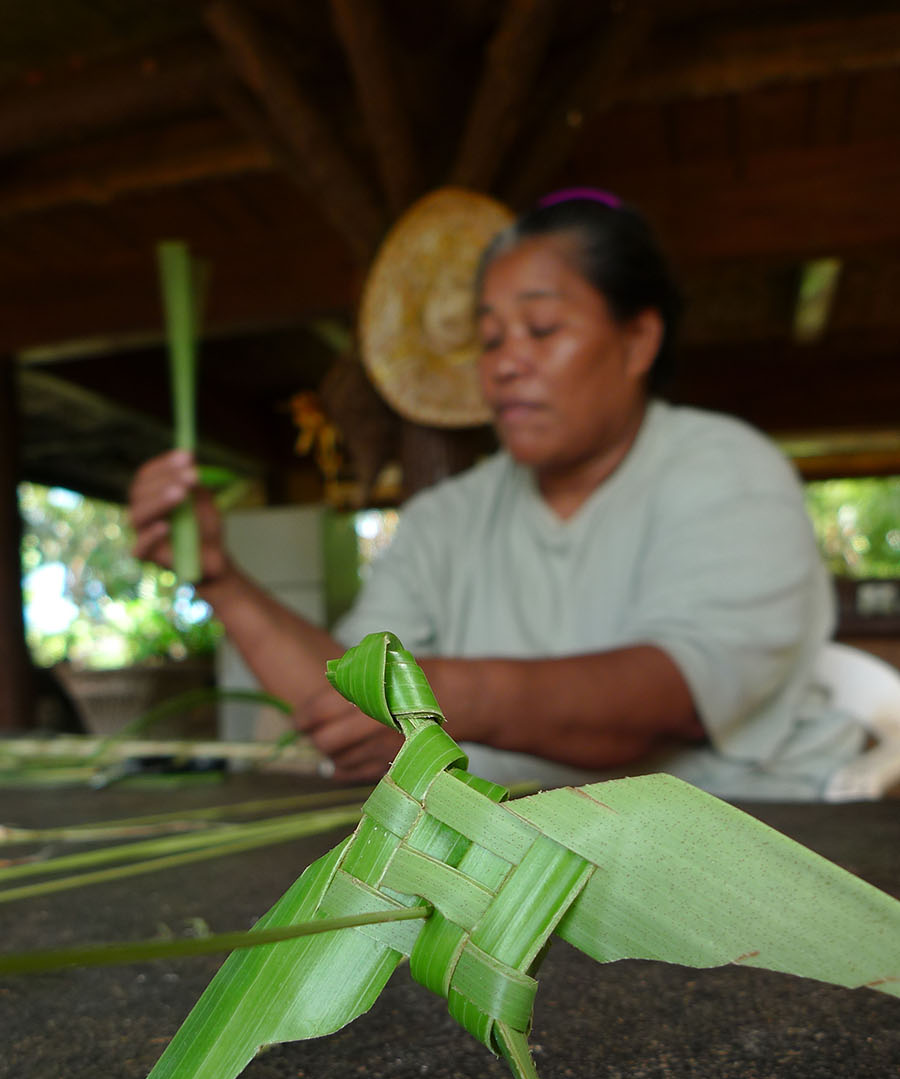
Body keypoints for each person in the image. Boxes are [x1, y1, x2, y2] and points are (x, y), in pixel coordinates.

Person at [130, 189, 862, 798]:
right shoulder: (449, 518)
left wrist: (438, 697)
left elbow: (669, 701)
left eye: (542, 329)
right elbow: (349, 701)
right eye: (489, 339)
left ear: (638, 341)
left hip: (747, 850)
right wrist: (218, 578)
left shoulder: (726, 470)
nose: (507, 364)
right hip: (518, 859)